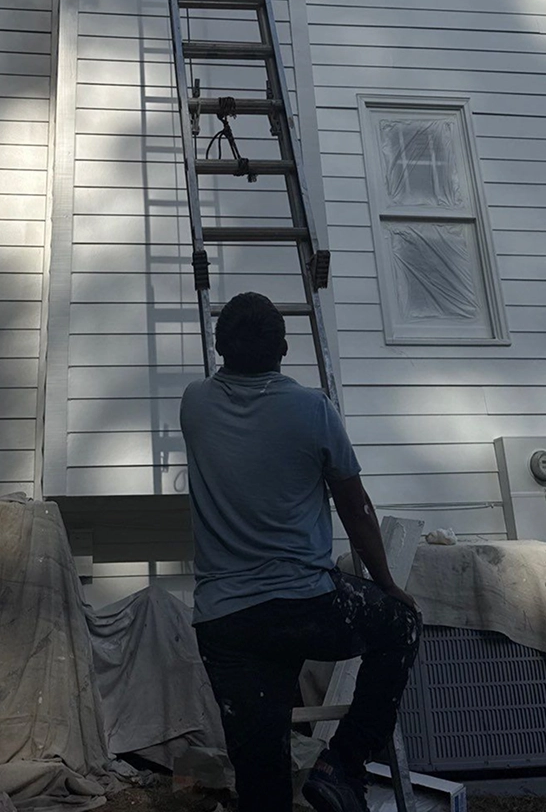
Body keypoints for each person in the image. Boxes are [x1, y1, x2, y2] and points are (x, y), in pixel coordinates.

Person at [180, 292, 422, 812]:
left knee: (260, 779)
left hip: (226, 622)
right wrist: (387, 585)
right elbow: (356, 508)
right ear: (285, 349)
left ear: (219, 347)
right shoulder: (313, 410)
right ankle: (343, 765)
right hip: (305, 606)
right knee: (400, 624)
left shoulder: (194, 404)